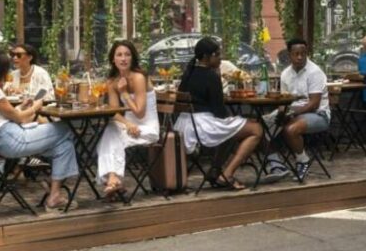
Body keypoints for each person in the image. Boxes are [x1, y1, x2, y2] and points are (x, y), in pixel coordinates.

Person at [0, 48, 78, 212]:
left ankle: (54, 195)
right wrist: (36, 105)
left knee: (64, 146)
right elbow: (20, 118)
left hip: (1, 141)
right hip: (11, 140)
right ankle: (54, 177)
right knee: (66, 129)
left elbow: (7, 115)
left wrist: (22, 106)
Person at [174, 37, 263, 191]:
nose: (220, 58)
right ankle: (227, 174)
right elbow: (219, 112)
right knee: (256, 129)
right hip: (202, 126)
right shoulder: (211, 76)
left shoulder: (189, 73)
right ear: (206, 57)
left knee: (230, 131)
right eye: (217, 54)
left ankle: (215, 171)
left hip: (184, 125)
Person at [96, 41, 160, 198]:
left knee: (110, 138)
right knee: (111, 130)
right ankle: (114, 179)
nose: (123, 58)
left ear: (132, 58)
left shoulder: (139, 77)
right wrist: (127, 123)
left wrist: (124, 93)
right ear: (113, 59)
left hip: (147, 128)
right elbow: (114, 112)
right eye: (119, 55)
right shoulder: (112, 81)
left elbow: (139, 112)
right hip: (128, 127)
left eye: (127, 54)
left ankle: (112, 179)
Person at [263, 39, 330, 182]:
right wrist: (281, 113)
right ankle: (277, 165)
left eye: (303, 53)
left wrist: (292, 114)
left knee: (290, 129)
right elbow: (284, 101)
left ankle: (303, 160)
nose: (300, 57)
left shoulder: (315, 72)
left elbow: (314, 103)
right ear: (289, 55)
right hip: (292, 112)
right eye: (296, 54)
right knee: (260, 126)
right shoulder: (286, 73)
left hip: (318, 114)